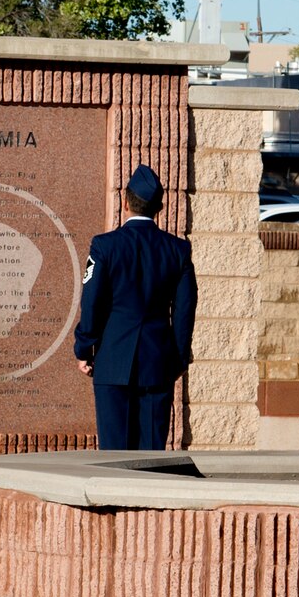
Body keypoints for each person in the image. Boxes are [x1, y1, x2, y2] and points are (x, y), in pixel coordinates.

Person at [73, 163, 198, 451]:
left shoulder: (105, 246)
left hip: (112, 361)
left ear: (125, 202)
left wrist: (84, 348)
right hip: (157, 364)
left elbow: (91, 301)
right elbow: (184, 311)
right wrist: (177, 360)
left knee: (113, 456)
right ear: (159, 208)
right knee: (150, 458)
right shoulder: (177, 250)